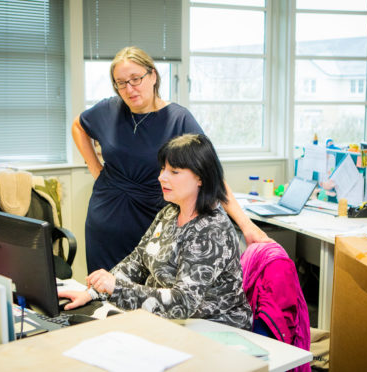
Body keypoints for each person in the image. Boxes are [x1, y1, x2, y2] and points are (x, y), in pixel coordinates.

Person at [73, 46, 270, 273]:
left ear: (153, 75)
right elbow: (78, 126)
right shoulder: (108, 109)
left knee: (147, 297)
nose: (129, 89)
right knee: (102, 296)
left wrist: (246, 225)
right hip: (104, 220)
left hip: (151, 223)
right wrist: (95, 168)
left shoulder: (178, 119)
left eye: (136, 79)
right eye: (121, 82)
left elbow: (212, 174)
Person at [59, 134, 253, 330]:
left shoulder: (212, 230)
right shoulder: (169, 212)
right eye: (163, 169)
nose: (162, 177)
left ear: (201, 178)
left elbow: (182, 302)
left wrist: (116, 288)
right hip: (169, 320)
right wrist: (93, 293)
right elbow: (138, 261)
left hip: (212, 327)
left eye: (174, 172)